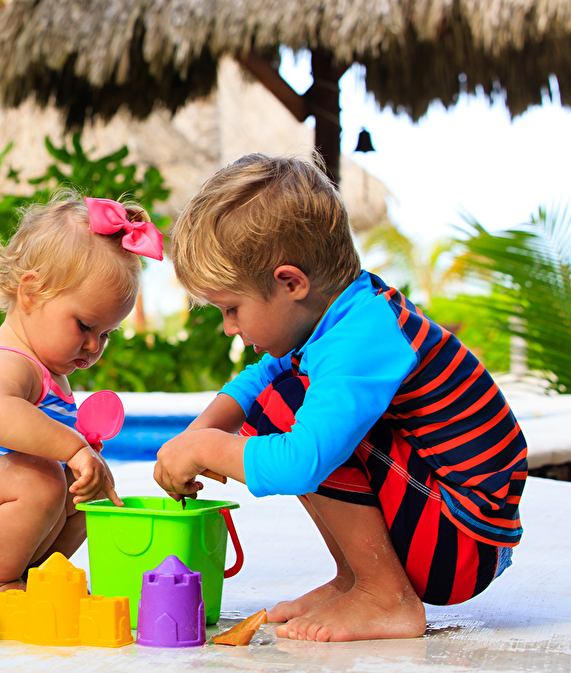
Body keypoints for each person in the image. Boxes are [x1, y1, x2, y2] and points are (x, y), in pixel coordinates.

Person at [153, 153, 526, 642]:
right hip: (448, 525)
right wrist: (195, 434)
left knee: (287, 410)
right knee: (276, 395)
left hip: (462, 541)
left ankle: (385, 597)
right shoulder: (343, 313)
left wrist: (205, 449)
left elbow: (301, 462)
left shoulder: (362, 338)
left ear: (290, 283)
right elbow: (260, 376)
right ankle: (357, 579)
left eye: (232, 308)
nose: (230, 328)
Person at [0, 190, 165, 595]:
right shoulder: (7, 362)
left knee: (88, 494)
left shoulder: (49, 370)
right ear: (30, 292)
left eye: (106, 334)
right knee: (46, 475)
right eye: (84, 325)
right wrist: (73, 447)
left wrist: (82, 463)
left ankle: (34, 578)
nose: (93, 346)